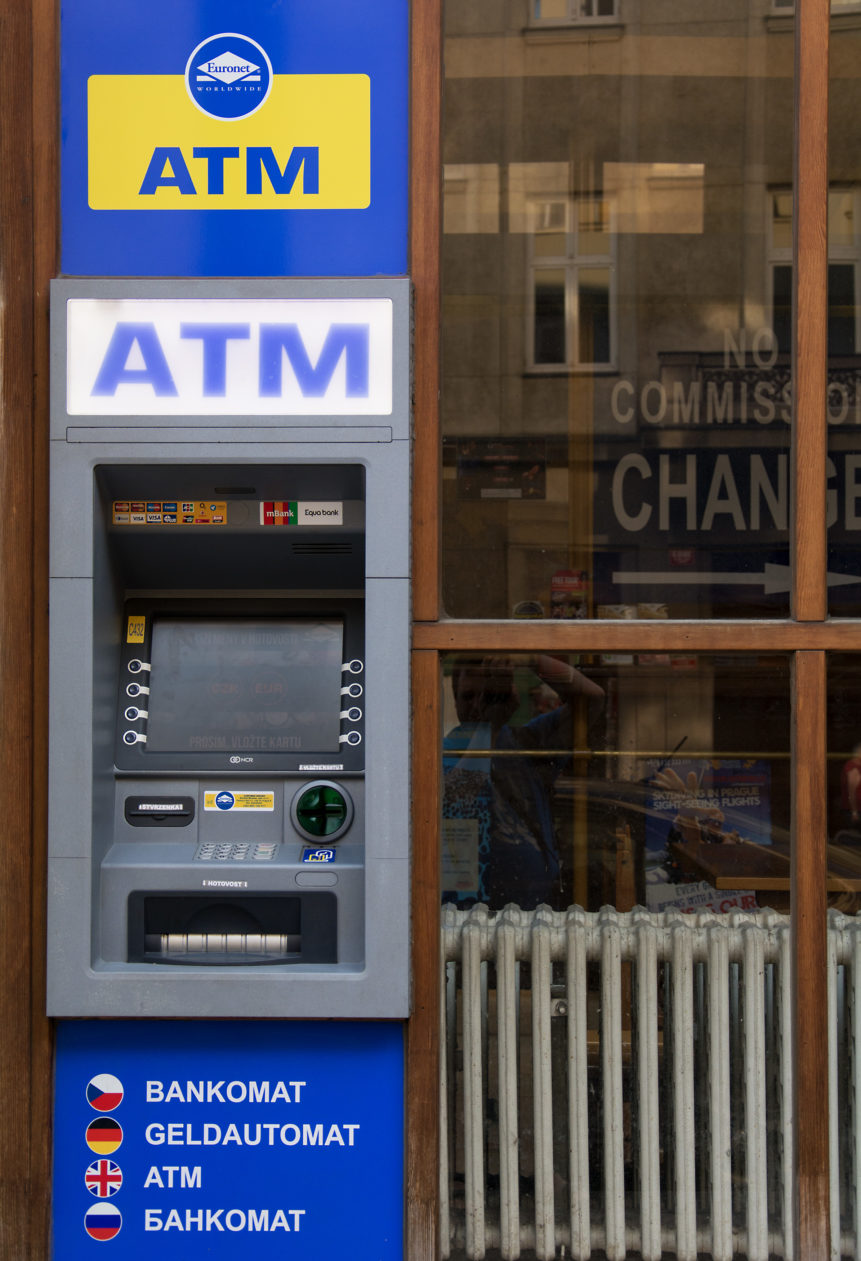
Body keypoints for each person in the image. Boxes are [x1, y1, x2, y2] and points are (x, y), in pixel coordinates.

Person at [442, 654, 604, 910]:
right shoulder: (443, 754)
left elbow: (592, 698)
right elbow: (458, 800)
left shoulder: (526, 742)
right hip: (469, 911)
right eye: (468, 696)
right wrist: (489, 725)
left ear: (511, 690)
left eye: (486, 694)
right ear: (454, 700)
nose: (477, 705)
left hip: (534, 908)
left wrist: (530, 660)